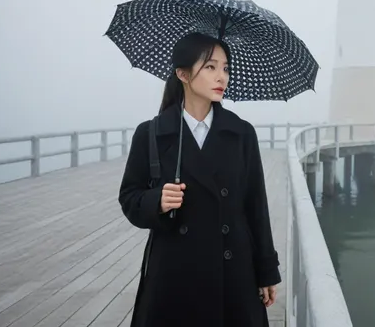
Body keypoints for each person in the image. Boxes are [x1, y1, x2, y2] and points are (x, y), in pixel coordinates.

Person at [118, 32, 281, 327]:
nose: (222, 77)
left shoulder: (242, 133)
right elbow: (129, 197)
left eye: (226, 68)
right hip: (174, 273)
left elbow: (256, 207)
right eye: (210, 67)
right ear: (183, 74)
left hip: (235, 272)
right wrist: (157, 200)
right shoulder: (151, 133)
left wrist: (267, 271)